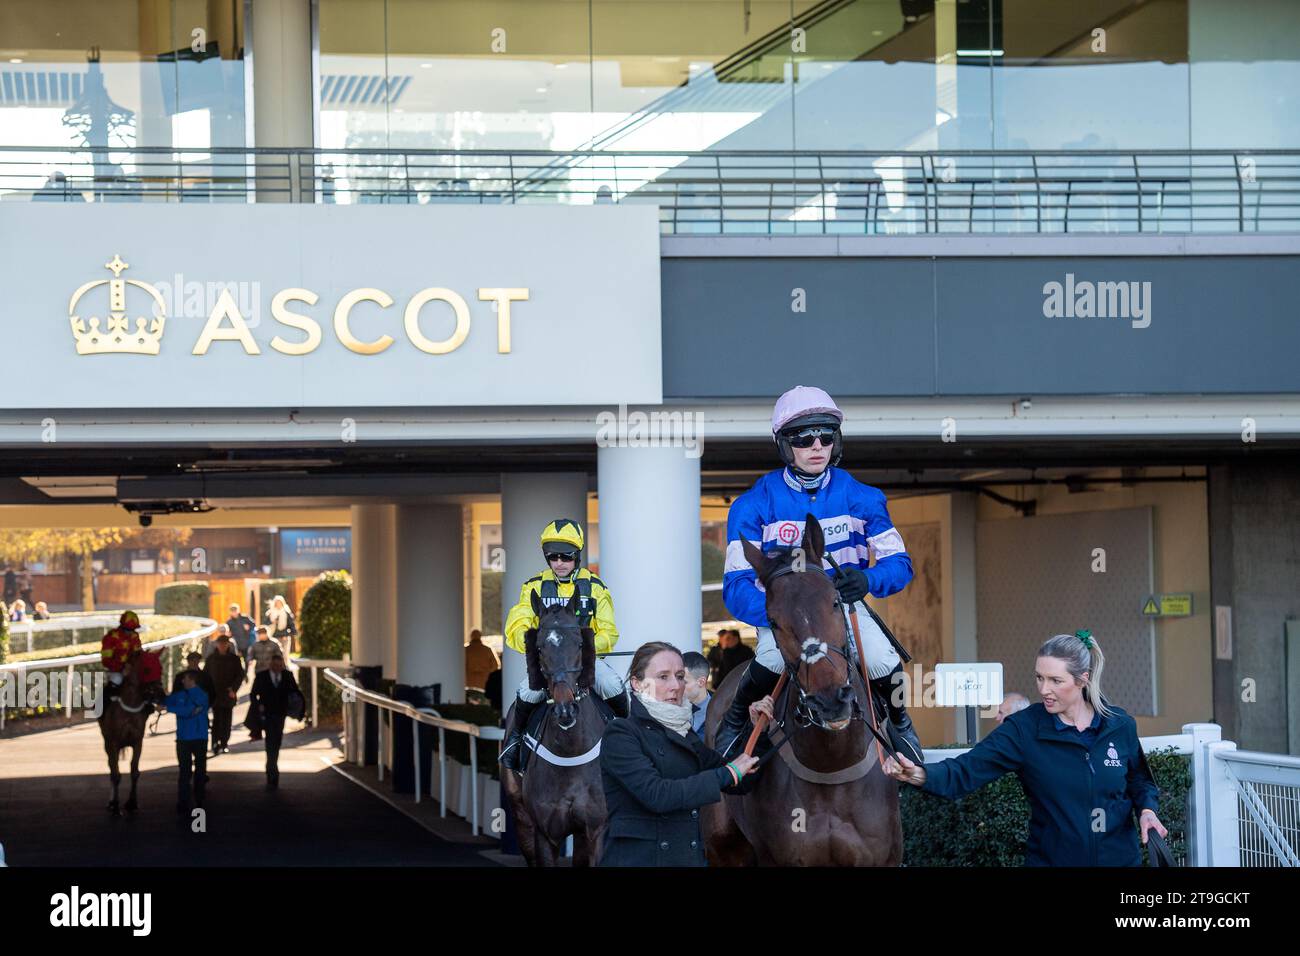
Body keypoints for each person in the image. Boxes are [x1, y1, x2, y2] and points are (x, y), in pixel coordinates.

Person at [718, 385, 922, 763]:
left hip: (841, 607)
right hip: (780, 615)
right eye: (803, 438)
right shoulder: (752, 506)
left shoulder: (864, 497)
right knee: (772, 658)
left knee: (881, 660)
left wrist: (869, 581)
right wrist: (781, 613)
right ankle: (733, 723)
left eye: (825, 436)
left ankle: (900, 723)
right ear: (784, 445)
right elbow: (735, 586)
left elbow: (900, 563)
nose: (816, 445)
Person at [886, 631, 1169, 867]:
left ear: (1082, 680)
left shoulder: (1119, 725)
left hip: (1121, 862)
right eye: (1039, 678)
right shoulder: (1023, 730)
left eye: (1056, 681)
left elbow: (1139, 780)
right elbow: (966, 770)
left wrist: (1147, 810)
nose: (1044, 689)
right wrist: (919, 774)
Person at [599, 641, 763, 867]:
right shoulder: (621, 734)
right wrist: (729, 773)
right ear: (637, 684)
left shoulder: (684, 734)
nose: (675, 686)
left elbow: (741, 781)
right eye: (663, 677)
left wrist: (758, 731)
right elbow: (658, 795)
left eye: (679, 676)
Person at [499, 519, 629, 771]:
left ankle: (632, 742)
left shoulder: (596, 587)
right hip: (548, 665)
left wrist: (582, 649)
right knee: (526, 692)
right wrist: (541, 648)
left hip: (587, 663)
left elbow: (609, 633)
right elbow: (517, 626)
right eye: (553, 557)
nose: (559, 563)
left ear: (577, 556)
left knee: (613, 685)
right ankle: (514, 742)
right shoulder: (533, 586)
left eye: (566, 557)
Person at [251, 652, 300, 789]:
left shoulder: (287, 676)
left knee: (276, 741)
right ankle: (272, 770)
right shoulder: (262, 676)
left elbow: (294, 692)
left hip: (280, 714)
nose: (277, 668)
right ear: (270, 665)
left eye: (280, 665)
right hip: (267, 714)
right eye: (275, 665)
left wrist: (295, 709)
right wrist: (258, 705)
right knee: (270, 742)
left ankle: (272, 766)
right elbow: (253, 694)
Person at [164, 671, 209, 813]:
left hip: (196, 738)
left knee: (197, 770)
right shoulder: (179, 695)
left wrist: (168, 708)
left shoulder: (202, 696)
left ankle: (196, 798)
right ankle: (187, 800)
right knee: (186, 771)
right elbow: (164, 701)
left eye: (184, 679)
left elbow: (190, 711)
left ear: (191, 680)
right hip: (185, 738)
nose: (182, 681)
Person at [205, 633, 246, 755]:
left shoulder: (234, 659)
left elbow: (240, 676)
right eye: (220, 643)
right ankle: (214, 743)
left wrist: (234, 689)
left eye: (224, 643)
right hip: (215, 693)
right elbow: (206, 675)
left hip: (228, 694)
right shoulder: (211, 659)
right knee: (216, 719)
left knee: (227, 720)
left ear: (228, 644)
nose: (222, 646)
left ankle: (224, 743)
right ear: (217, 645)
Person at [246, 627, 283, 740]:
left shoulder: (274, 644)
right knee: (258, 700)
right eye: (260, 634)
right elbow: (250, 656)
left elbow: (280, 657)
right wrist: (250, 661)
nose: (261, 635)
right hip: (260, 675)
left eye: (263, 633)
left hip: (273, 675)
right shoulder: (255, 645)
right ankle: (257, 728)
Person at [100, 610, 144, 700]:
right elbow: (106, 660)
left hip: (131, 669)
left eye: (133, 629)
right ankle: (101, 706)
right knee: (117, 679)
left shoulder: (135, 636)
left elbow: (138, 654)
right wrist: (122, 669)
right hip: (115, 670)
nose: (130, 632)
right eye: (127, 629)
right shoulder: (111, 637)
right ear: (121, 626)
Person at [681, 651, 712, 735]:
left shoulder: (723, 713)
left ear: (701, 682)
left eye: (684, 682)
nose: (676, 686)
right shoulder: (668, 708)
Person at [226, 603, 256, 667]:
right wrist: (229, 634)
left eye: (235, 610)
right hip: (236, 644)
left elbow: (253, 624)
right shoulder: (229, 622)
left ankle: (246, 674)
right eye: (232, 611)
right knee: (236, 660)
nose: (234, 612)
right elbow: (228, 633)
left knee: (247, 660)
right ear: (230, 612)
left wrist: (249, 627)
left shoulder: (245, 618)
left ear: (238, 610)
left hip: (246, 642)